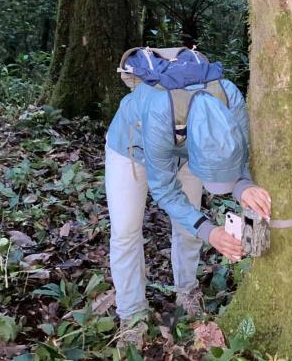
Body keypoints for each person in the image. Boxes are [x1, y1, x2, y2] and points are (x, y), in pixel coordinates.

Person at [105, 47, 271, 347]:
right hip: (132, 148)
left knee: (188, 228)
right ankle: (132, 316)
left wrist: (243, 185)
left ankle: (187, 291)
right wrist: (211, 232)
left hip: (184, 148)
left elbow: (241, 153)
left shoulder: (229, 96)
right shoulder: (158, 108)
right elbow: (164, 189)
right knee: (126, 231)